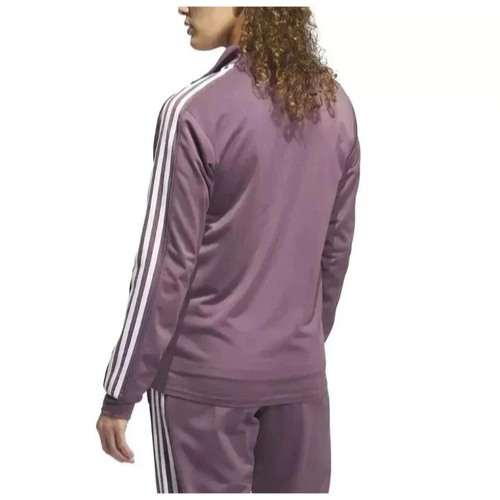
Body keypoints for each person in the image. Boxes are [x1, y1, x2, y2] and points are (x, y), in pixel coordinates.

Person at [95, 6, 361, 493]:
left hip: (204, 388)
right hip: (298, 382)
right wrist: (292, 348)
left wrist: (120, 391)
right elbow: (335, 252)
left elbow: (164, 266)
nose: (183, 6)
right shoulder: (335, 106)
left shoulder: (193, 111)